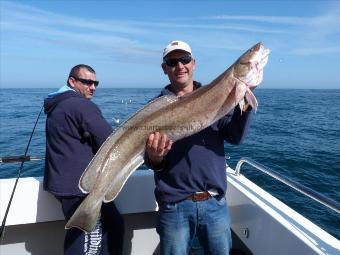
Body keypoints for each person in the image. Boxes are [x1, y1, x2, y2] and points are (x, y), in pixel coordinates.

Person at [145, 41, 254, 255]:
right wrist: (155, 157)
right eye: (172, 61)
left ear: (193, 63)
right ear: (164, 68)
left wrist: (245, 100)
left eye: (184, 60)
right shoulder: (153, 110)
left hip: (215, 203)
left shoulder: (216, 96)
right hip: (174, 206)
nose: (180, 66)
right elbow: (152, 162)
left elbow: (235, 136)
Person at [44, 64, 124, 255]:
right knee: (87, 240)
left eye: (95, 82)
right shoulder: (81, 105)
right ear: (72, 81)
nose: (93, 87)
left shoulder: (56, 105)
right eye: (87, 82)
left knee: (111, 226)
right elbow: (110, 140)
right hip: (80, 188)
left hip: (63, 185)